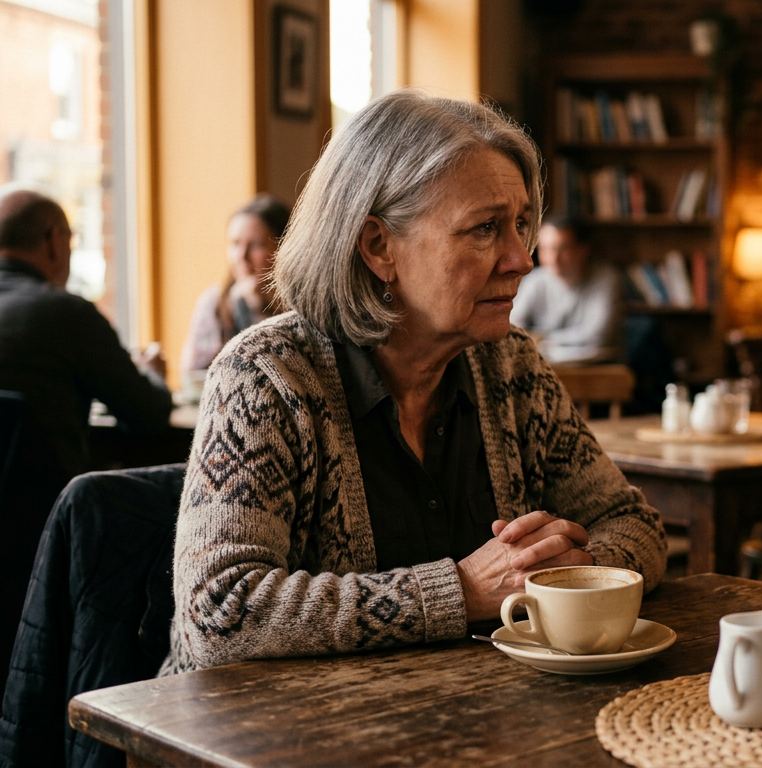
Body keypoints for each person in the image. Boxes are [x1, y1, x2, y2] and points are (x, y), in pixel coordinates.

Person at [162, 92, 667, 674]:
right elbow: (218, 615)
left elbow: (638, 527)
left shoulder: (511, 366)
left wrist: (561, 577)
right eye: (484, 229)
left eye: (520, 224)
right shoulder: (265, 377)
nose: (520, 259)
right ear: (378, 247)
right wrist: (463, 591)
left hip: (453, 715)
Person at [0, 187, 171, 480]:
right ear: (55, 240)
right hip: (47, 517)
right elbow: (148, 415)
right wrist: (152, 372)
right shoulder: (64, 314)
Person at [180, 194, 291, 377]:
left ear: (282, 247)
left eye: (255, 245)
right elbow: (192, 375)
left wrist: (260, 310)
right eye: (235, 244)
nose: (241, 256)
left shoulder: (302, 304)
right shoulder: (214, 302)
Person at [509, 215, 624, 363]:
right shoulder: (535, 280)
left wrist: (541, 338)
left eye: (562, 249)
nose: (553, 258)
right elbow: (512, 326)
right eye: (546, 249)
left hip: (597, 370)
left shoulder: (607, 279)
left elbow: (596, 336)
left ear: (583, 250)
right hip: (544, 365)